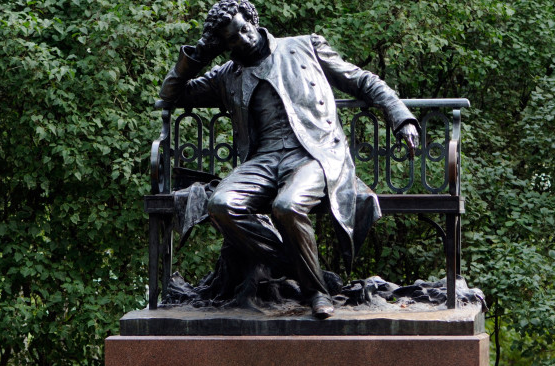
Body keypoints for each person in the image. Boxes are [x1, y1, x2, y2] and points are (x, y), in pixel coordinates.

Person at [159, 0, 420, 319]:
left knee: (287, 206)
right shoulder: (226, 75)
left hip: (312, 153)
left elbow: (361, 80)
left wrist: (400, 117)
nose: (244, 38)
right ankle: (303, 268)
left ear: (253, 21)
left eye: (244, 29)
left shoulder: (304, 47)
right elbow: (171, 94)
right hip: (263, 160)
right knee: (220, 205)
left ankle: (316, 292)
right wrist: (199, 52)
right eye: (232, 38)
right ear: (224, 46)